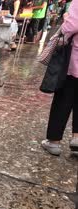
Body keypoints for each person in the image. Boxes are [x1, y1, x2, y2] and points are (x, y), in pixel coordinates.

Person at [42, 0, 78, 156]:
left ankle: (54, 141)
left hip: (75, 59)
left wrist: (66, 18)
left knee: (63, 97)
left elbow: (71, 26)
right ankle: (77, 138)